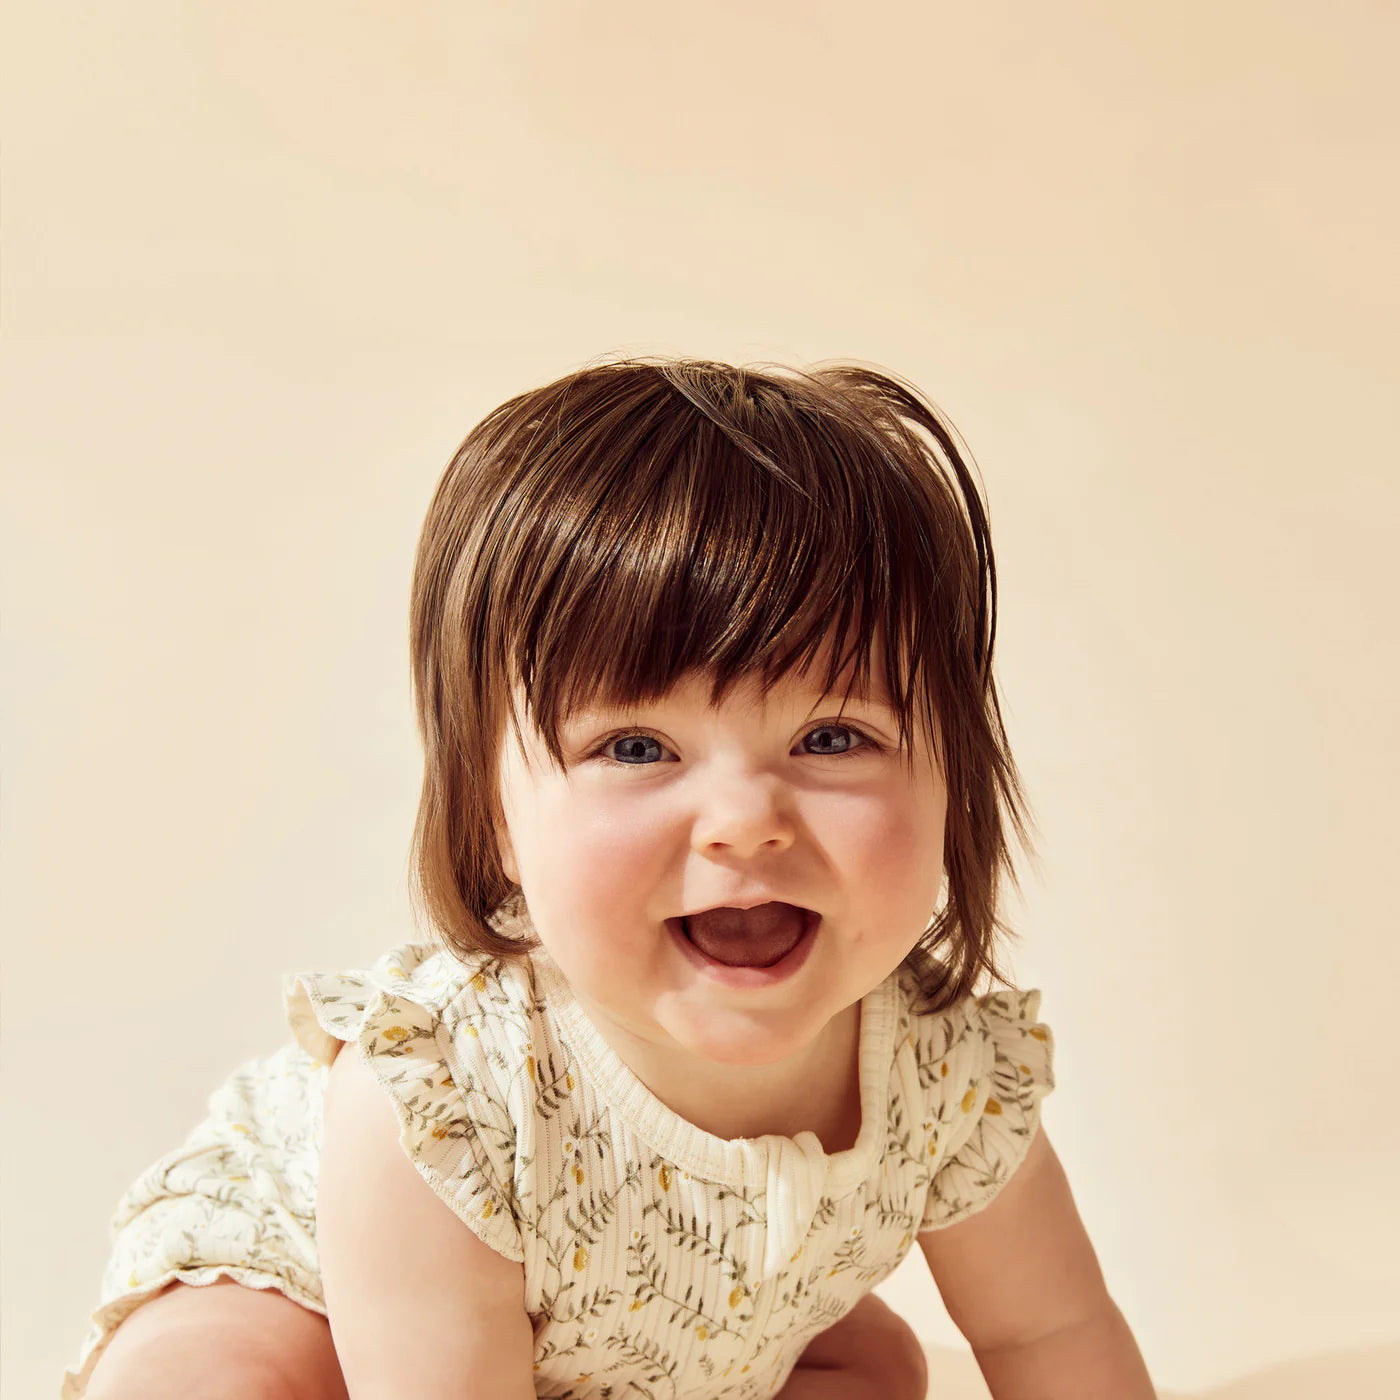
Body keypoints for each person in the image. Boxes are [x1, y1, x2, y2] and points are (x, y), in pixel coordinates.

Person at [61, 356, 1156, 1399]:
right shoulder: (448, 1094)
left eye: (832, 737)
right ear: (492, 817)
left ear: (953, 774)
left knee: (876, 1370)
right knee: (215, 1377)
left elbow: (1047, 1330)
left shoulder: (945, 1072)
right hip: (321, 1305)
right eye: (637, 748)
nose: (746, 821)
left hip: (622, 1329)